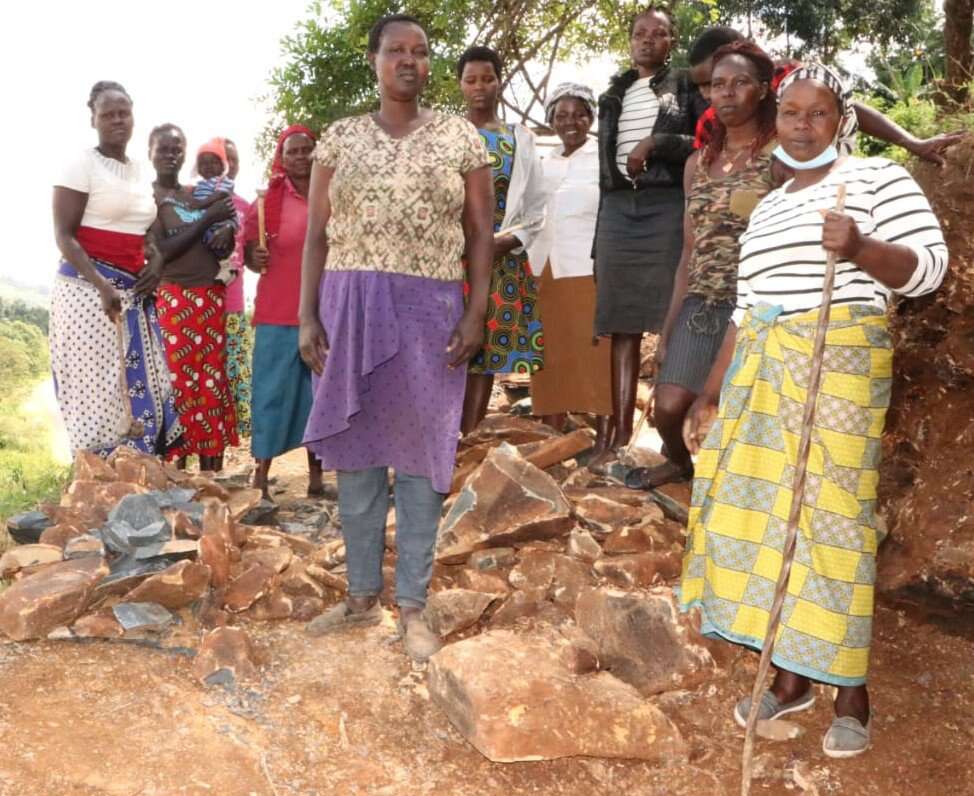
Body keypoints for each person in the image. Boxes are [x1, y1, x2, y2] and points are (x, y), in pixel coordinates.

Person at [680, 64, 948, 758]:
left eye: (818, 114)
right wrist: (711, 394)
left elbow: (928, 269)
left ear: (842, 119)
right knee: (771, 517)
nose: (802, 127)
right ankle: (793, 678)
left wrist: (858, 247)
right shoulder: (767, 208)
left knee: (834, 521)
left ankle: (852, 691)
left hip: (840, 365)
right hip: (763, 373)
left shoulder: (878, 181)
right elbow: (745, 312)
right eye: (791, 114)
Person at [298, 14, 493, 660]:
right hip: (350, 303)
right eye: (395, 51)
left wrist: (476, 313)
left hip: (429, 307)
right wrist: (307, 315)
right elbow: (318, 236)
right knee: (355, 456)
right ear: (375, 61)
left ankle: (411, 605)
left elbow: (479, 232)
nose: (408, 61)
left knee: (421, 460)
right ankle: (359, 597)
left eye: (420, 52)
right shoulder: (339, 139)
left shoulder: (459, 139)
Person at [628, 42, 783, 490]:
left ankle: (735, 490)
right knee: (669, 407)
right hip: (702, 303)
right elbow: (688, 251)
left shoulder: (779, 159)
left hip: (755, 308)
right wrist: (668, 327)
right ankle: (682, 464)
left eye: (740, 83)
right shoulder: (698, 163)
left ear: (762, 91)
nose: (728, 93)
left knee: (734, 409)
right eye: (719, 85)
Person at [590, 6, 704, 467]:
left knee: (670, 317)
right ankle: (620, 436)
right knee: (621, 322)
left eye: (659, 34)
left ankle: (669, 436)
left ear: (671, 42)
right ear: (630, 40)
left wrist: (655, 144)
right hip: (618, 208)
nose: (648, 40)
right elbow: (604, 163)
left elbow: (704, 141)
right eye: (640, 33)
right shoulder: (613, 94)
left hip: (664, 204)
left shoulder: (683, 86)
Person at [51, 81, 183, 457]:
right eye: (107, 114)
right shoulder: (81, 165)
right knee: (98, 388)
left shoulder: (141, 171)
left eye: (123, 112)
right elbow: (64, 236)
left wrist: (156, 261)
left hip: (134, 292)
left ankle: (137, 474)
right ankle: (100, 483)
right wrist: (101, 285)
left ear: (133, 116)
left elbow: (149, 231)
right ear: (93, 119)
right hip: (86, 293)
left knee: (149, 386)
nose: (116, 120)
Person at [687, 25, 966, 165]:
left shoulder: (789, 78)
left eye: (718, 80)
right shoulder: (709, 125)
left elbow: (848, 110)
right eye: (707, 86)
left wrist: (912, 143)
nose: (710, 94)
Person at [457, 45, 547, 434]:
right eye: (471, 79)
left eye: (487, 78)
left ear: (499, 82)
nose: (480, 87)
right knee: (442, 353)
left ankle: (466, 443)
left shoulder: (518, 138)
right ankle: (435, 451)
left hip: (499, 261)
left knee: (482, 358)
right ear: (460, 84)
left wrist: (503, 242)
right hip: (448, 263)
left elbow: (536, 208)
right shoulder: (446, 135)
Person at [527, 83, 612, 454]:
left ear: (591, 117)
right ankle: (551, 433)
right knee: (550, 352)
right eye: (561, 116)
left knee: (597, 353)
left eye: (579, 114)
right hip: (545, 266)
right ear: (551, 121)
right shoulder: (545, 162)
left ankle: (605, 435)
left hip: (589, 265)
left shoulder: (603, 157)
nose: (570, 122)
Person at [151, 124, 239, 472]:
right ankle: (175, 474)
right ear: (150, 152)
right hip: (175, 299)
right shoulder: (150, 198)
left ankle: (210, 478)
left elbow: (226, 236)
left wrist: (228, 228)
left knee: (210, 384)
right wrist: (207, 222)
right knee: (177, 383)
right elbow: (163, 251)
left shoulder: (197, 193)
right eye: (164, 148)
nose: (171, 154)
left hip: (211, 299)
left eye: (177, 148)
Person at [243, 125, 324, 499]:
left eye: (307, 150)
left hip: (324, 308)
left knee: (319, 394)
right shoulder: (266, 204)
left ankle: (317, 477)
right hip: (277, 308)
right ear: (281, 157)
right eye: (292, 151)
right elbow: (247, 249)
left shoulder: (332, 194)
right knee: (270, 392)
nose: (300, 157)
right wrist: (250, 255)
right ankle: (260, 474)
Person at [221, 137, 253, 439]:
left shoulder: (246, 207)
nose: (227, 167)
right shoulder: (188, 201)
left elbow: (254, 255)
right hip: (195, 306)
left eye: (234, 161)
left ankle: (222, 458)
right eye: (221, 159)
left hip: (232, 306)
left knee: (233, 379)